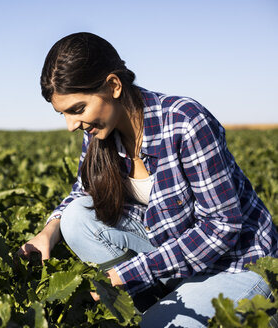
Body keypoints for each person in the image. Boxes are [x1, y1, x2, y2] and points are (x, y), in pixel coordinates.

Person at [17, 32, 278, 327]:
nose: (71, 125)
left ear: (114, 86)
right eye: (62, 114)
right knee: (76, 217)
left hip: (235, 264)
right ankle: (157, 304)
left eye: (77, 109)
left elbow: (222, 228)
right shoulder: (99, 134)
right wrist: (48, 232)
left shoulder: (185, 122)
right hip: (172, 254)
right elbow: (81, 193)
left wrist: (125, 275)